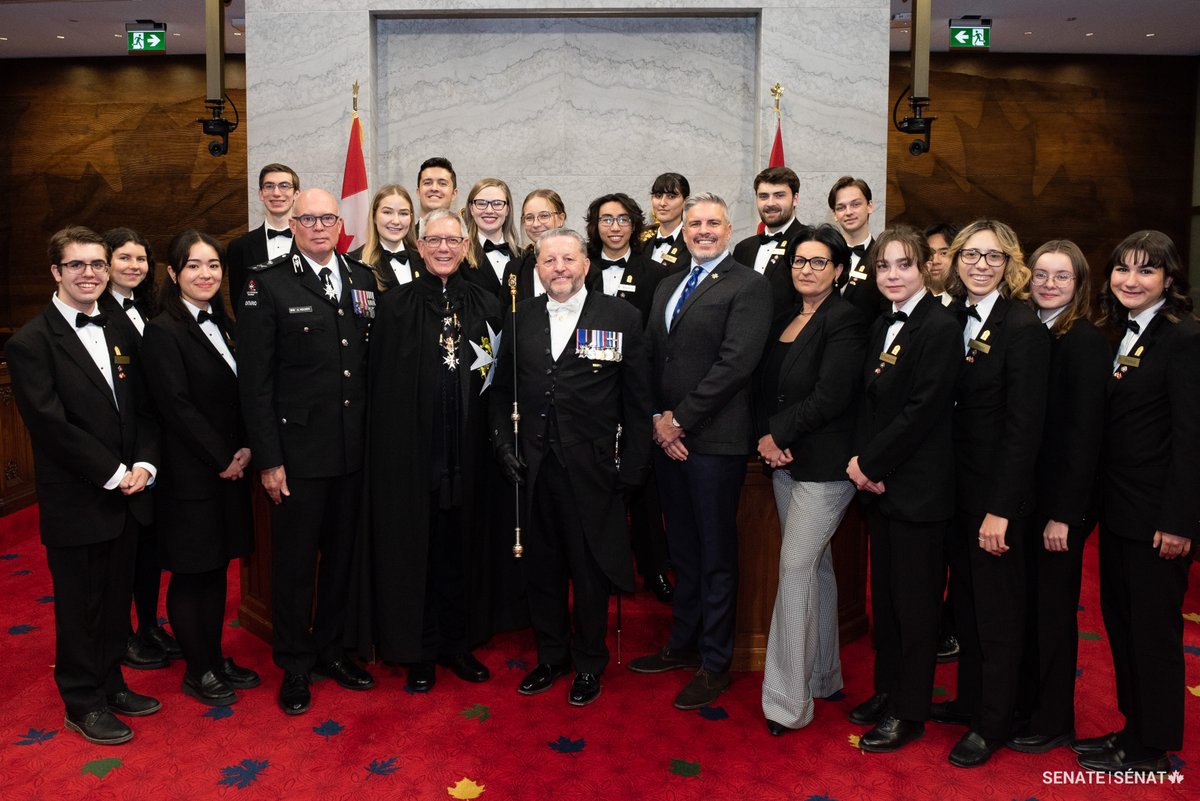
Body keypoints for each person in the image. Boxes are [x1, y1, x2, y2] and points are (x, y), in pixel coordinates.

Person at [7, 226, 162, 744]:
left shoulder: (120, 327)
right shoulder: (30, 342)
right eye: (77, 265)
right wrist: (115, 473)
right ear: (56, 271)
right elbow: (52, 427)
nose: (90, 273)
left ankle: (112, 681)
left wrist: (144, 463)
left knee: (117, 598)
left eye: (97, 264)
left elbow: (143, 407)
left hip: (130, 494)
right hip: (79, 498)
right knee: (80, 606)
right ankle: (81, 698)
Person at [491, 227, 652, 706]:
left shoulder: (621, 316)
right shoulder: (520, 317)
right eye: (549, 260)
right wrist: (502, 444)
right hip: (533, 467)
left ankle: (588, 662)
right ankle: (551, 655)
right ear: (537, 268)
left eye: (568, 259)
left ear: (586, 265)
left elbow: (638, 401)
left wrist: (634, 469)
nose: (559, 268)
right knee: (541, 566)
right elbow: (501, 392)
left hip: (593, 469)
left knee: (588, 570)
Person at [629, 193, 771, 710]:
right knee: (683, 552)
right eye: (695, 223)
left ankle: (715, 662)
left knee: (715, 556)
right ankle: (682, 645)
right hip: (668, 442)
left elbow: (736, 364)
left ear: (729, 229)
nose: (703, 230)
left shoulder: (748, 286)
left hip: (713, 443)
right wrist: (654, 420)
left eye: (713, 223)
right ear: (682, 229)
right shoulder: (668, 284)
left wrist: (679, 420)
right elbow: (647, 354)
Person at [237, 188, 377, 715]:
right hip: (297, 456)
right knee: (295, 565)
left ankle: (332, 651)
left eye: (327, 218)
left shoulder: (362, 279)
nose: (319, 226)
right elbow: (255, 383)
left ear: (340, 223)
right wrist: (269, 460)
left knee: (342, 560)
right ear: (292, 223)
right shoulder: (267, 284)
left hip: (353, 451)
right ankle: (295, 664)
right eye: (308, 218)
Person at [353, 209, 502, 693]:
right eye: (434, 240)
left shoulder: (488, 302)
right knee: (415, 550)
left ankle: (458, 645)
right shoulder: (393, 306)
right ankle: (417, 649)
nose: (443, 248)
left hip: (470, 455)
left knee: (461, 549)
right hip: (410, 460)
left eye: (452, 240)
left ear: (465, 246)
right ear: (419, 245)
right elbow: (378, 389)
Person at [1073, 231, 1198, 774]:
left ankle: (1154, 746)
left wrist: (1179, 521)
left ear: (1169, 280)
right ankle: (1134, 730)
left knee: (1153, 634)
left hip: (1158, 520)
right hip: (1121, 513)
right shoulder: (1124, 332)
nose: (1130, 280)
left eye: (1146, 271)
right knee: (1122, 625)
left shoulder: (1186, 339)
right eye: (1123, 269)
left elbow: (1192, 440)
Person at [935, 219, 1050, 768]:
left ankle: (995, 722)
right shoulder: (950, 317)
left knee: (999, 614)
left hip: (995, 501)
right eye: (972, 255)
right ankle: (971, 701)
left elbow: (1024, 430)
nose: (981, 265)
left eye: (994, 257)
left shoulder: (1022, 326)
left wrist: (1001, 510)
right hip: (952, 493)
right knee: (967, 605)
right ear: (956, 261)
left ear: (1011, 264)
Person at [844, 227, 961, 753]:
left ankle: (910, 712)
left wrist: (869, 462)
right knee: (887, 604)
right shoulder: (882, 322)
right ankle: (888, 692)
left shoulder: (938, 326)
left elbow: (923, 410)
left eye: (904, 265)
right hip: (882, 487)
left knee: (915, 610)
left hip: (918, 490)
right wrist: (869, 470)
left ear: (925, 270)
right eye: (884, 266)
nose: (893, 275)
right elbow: (873, 404)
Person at [754, 224, 866, 735]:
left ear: (838, 270)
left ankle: (786, 702)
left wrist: (777, 435)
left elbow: (832, 395)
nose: (807, 269)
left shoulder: (844, 320)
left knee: (794, 571)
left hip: (825, 467)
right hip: (786, 462)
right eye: (800, 261)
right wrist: (772, 437)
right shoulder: (784, 316)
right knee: (816, 568)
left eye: (819, 262)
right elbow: (768, 388)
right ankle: (823, 674)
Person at [141, 231, 258, 707]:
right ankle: (197, 669)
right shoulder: (163, 330)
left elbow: (241, 394)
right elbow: (177, 407)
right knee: (193, 573)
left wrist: (247, 448)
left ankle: (213, 655)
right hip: (191, 477)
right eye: (194, 266)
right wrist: (223, 457)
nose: (206, 274)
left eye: (213, 265)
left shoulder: (225, 322)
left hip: (230, 470)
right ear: (173, 273)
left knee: (216, 570)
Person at [1006, 240, 1109, 754]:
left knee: (1052, 614)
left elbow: (1084, 437)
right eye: (1041, 274)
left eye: (1061, 277)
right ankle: (1026, 705)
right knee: (1027, 609)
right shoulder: (1032, 331)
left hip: (1059, 509)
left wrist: (1065, 517)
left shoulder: (1085, 341)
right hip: (1029, 499)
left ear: (1080, 285)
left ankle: (1054, 719)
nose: (1048, 284)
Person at [98, 227, 179, 672]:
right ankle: (124, 635)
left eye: (141, 259)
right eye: (124, 258)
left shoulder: (151, 307)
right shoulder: (99, 311)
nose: (134, 266)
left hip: (156, 443)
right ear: (106, 262)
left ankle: (149, 625)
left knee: (150, 548)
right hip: (124, 448)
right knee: (124, 553)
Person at [584, 192, 672, 602]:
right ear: (595, 225)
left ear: (635, 225)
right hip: (590, 394)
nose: (614, 226)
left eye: (622, 219)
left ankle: (654, 569)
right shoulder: (578, 268)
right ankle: (596, 568)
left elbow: (658, 338)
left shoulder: (655, 273)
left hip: (637, 389)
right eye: (606, 219)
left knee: (645, 488)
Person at [732, 166, 807, 317]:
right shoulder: (743, 248)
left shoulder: (810, 241)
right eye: (763, 196)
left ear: (795, 199)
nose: (770, 203)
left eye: (779, 195)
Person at [228, 163, 299, 306]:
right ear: (261, 194)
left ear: (296, 194)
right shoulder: (239, 247)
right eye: (269, 186)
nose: (277, 193)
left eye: (284, 186)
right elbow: (239, 303)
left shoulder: (312, 242)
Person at [348, 184, 423, 292]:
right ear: (374, 216)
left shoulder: (424, 259)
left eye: (403, 213)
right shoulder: (355, 262)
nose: (396, 221)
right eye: (387, 212)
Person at [828, 176, 883, 319]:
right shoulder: (825, 256)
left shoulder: (882, 257)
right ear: (834, 214)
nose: (848, 212)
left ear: (869, 206)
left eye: (855, 204)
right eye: (841, 207)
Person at [462, 178, 522, 300]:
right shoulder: (459, 255)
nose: (489, 210)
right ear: (471, 208)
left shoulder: (523, 257)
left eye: (497, 203)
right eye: (481, 203)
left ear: (507, 210)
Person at [646, 172, 692, 273]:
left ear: (686, 201)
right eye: (658, 196)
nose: (662, 203)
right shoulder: (641, 246)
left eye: (671, 196)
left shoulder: (693, 244)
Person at [414, 156, 458, 235]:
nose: (434, 188)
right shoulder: (403, 239)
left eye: (442, 183)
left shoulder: (467, 240)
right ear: (418, 192)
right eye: (427, 183)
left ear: (454, 194)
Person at [924, 223, 959, 306]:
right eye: (930, 253)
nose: (935, 261)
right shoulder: (908, 298)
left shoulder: (967, 305)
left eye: (944, 253)